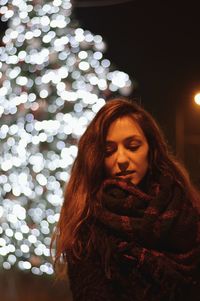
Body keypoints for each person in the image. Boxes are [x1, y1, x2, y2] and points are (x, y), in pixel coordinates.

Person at [51, 98, 200, 301]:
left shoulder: (186, 210)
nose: (121, 160)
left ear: (151, 149)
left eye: (133, 146)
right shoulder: (87, 229)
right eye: (109, 151)